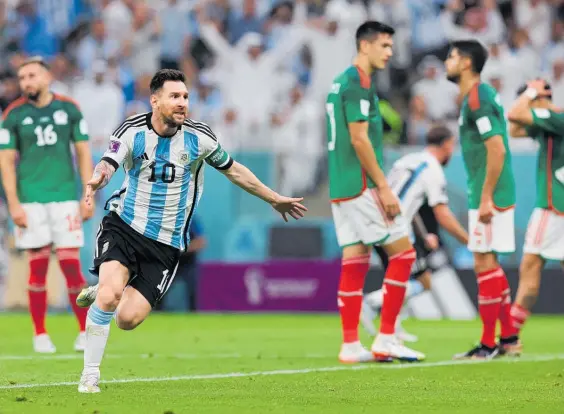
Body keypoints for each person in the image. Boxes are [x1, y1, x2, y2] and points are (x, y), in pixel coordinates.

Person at [74, 69, 307, 393]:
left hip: (167, 243)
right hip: (125, 225)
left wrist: (274, 198)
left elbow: (234, 170)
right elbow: (108, 162)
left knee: (127, 319)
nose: (182, 102)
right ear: (155, 101)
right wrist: (98, 177)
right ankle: (90, 375)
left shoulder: (200, 138)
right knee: (111, 293)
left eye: (185, 96)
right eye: (174, 96)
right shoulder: (132, 130)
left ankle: (102, 293)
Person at [327, 21, 425, 364]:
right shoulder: (357, 82)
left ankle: (351, 344)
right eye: (384, 46)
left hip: (341, 186)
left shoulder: (340, 81)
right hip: (361, 185)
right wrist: (384, 186)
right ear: (364, 45)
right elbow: (358, 138)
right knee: (404, 255)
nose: (389, 53)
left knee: (355, 261)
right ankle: (386, 338)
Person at [0, 57, 94, 353]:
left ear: (47, 77)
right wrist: (13, 204)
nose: (26, 82)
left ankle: (84, 331)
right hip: (31, 201)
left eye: (32, 75)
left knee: (71, 266)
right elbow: (5, 162)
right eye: (22, 77)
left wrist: (87, 193)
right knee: (37, 267)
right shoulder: (13, 115)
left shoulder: (69, 109)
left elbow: (82, 153)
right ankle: (40, 334)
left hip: (65, 198)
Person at [444, 40, 517, 360]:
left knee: (482, 263)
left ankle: (488, 344)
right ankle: (509, 337)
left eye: (452, 56)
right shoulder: (474, 98)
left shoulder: (477, 98)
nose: (448, 62)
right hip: (488, 191)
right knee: (489, 265)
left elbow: (497, 148)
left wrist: (486, 198)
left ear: (466, 63)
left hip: (491, 194)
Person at [360, 126, 469, 341]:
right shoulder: (433, 170)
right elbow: (443, 214)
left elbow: (407, 202)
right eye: (452, 145)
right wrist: (469, 241)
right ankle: (372, 303)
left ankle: (393, 329)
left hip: (379, 219)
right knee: (420, 281)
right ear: (447, 144)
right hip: (394, 227)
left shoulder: (407, 160)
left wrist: (423, 235)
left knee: (403, 277)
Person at [505, 80, 564, 355]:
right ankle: (510, 337)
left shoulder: (555, 117)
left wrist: (529, 92)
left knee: (529, 267)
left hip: (554, 209)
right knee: (531, 268)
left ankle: (510, 337)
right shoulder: (552, 123)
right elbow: (515, 130)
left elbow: (514, 115)